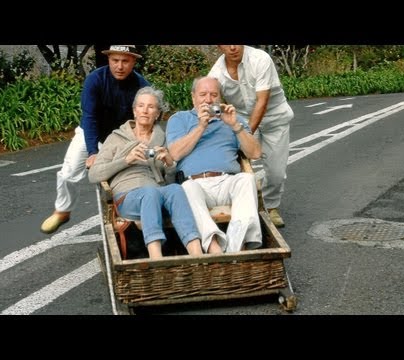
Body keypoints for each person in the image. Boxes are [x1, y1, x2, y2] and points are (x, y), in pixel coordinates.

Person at [40, 45, 150, 234]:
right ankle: (63, 210)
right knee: (68, 172)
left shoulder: (141, 85)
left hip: (121, 135)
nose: (120, 66)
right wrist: (93, 152)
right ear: (108, 60)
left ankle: (124, 219)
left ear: (134, 62)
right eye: (115, 60)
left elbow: (146, 118)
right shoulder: (95, 80)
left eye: (125, 61)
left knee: (122, 175)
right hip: (91, 131)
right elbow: (89, 117)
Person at [88, 86, 203, 259]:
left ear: (157, 114)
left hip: (157, 190)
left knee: (175, 190)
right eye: (141, 106)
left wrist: (170, 164)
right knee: (150, 194)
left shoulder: (162, 138)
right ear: (134, 111)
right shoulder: (116, 138)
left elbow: (170, 181)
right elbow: (94, 174)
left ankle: (198, 255)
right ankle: (156, 258)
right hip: (128, 195)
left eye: (151, 107)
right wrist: (126, 160)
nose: (145, 110)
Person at [166, 76, 262, 254]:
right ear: (193, 97)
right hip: (195, 183)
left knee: (247, 180)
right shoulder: (180, 119)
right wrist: (201, 126)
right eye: (203, 94)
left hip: (227, 181)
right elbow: (175, 153)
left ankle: (236, 248)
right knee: (186, 189)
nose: (208, 99)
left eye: (213, 94)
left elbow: (255, 153)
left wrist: (235, 126)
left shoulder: (234, 119)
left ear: (220, 98)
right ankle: (214, 247)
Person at [208, 45, 294, 228]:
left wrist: (245, 134)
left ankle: (271, 207)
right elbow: (212, 101)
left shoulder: (260, 59)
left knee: (276, 172)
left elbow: (262, 101)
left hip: (274, 118)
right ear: (219, 46)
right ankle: (240, 208)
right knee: (236, 167)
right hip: (241, 119)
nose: (232, 47)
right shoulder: (216, 73)